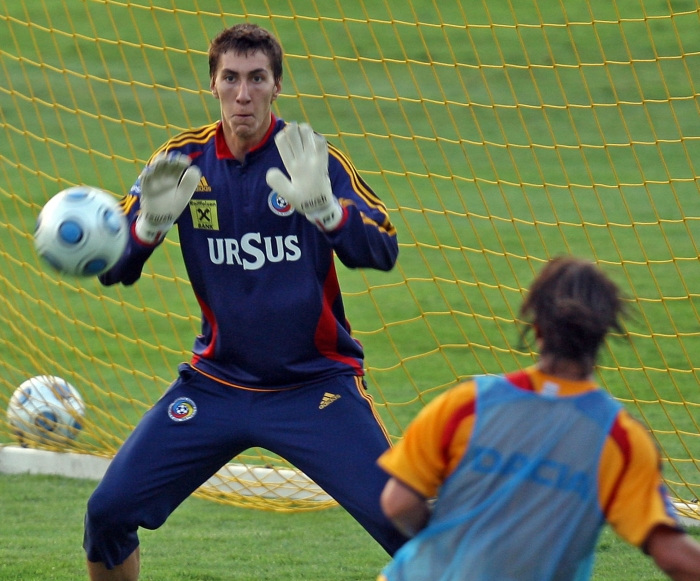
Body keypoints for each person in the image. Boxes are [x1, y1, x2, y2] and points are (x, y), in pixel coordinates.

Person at [83, 22, 407, 580]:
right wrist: (148, 228)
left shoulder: (312, 161)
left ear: (277, 85)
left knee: (413, 527)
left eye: (257, 79)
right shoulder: (181, 161)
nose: (243, 94)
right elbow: (114, 267)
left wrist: (329, 213)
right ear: (212, 83)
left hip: (316, 386)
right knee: (107, 513)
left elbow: (382, 250)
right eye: (231, 78)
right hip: (216, 386)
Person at [376, 256, 700, 581]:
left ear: (538, 329)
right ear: (602, 335)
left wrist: (442, 541)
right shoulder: (620, 438)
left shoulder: (467, 404)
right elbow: (672, 555)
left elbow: (398, 504)